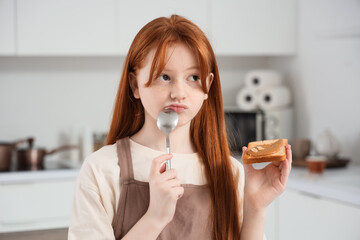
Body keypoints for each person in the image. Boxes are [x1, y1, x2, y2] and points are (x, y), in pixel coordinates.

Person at [68, 15, 292, 240]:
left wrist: (255, 207)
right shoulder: (101, 170)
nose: (179, 92)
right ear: (135, 85)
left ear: (208, 87)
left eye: (194, 77)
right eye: (164, 77)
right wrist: (155, 217)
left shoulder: (231, 173)